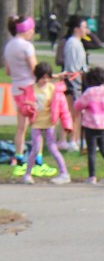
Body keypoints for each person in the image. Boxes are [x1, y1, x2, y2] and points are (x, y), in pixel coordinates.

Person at [19, 63, 71, 185]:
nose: (46, 80)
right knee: (35, 149)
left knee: (53, 148)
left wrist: (67, 124)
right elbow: (24, 109)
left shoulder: (54, 89)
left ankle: (64, 173)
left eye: (48, 77)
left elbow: (63, 109)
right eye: (43, 78)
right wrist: (29, 108)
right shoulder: (30, 89)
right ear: (37, 76)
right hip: (36, 124)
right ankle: (27, 174)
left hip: (50, 124)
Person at [4, 14, 37, 169]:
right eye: (32, 29)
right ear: (26, 29)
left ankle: (18, 156)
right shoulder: (27, 46)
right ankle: (37, 158)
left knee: (21, 126)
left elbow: (7, 70)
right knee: (36, 124)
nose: (33, 32)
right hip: (29, 87)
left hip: (16, 89)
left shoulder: (9, 45)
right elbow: (34, 69)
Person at [74, 66, 104, 183]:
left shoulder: (89, 92)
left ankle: (92, 176)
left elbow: (78, 105)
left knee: (91, 151)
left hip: (90, 124)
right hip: (103, 124)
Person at [60, 13, 89, 150]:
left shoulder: (78, 42)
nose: (86, 30)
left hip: (78, 81)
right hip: (73, 82)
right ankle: (72, 140)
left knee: (78, 113)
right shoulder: (72, 43)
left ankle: (77, 139)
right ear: (76, 29)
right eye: (84, 27)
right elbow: (72, 68)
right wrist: (76, 80)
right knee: (73, 112)